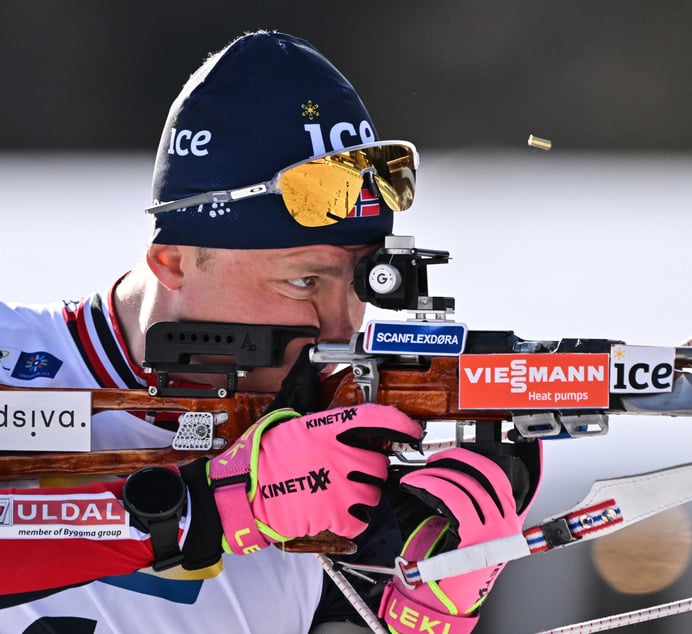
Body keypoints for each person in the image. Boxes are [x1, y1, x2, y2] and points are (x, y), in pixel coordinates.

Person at [0, 31, 541, 633]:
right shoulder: (12, 353)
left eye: (362, 283)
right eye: (304, 281)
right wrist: (219, 508)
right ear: (173, 259)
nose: (340, 326)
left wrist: (423, 615)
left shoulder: (336, 452)